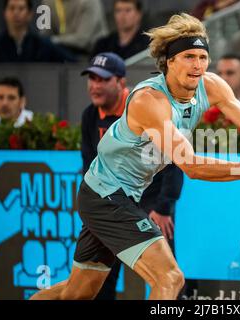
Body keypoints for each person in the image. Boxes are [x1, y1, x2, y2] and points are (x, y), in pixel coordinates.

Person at [30, 13, 240, 300]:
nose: (198, 65)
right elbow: (191, 166)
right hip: (106, 196)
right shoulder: (149, 101)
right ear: (170, 61)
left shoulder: (211, 85)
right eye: (189, 57)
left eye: (203, 57)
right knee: (170, 278)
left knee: (76, 294)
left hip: (121, 195)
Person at [80, 52, 184, 299]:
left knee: (169, 277)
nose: (95, 85)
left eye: (102, 79)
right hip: (111, 200)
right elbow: (89, 165)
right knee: (99, 280)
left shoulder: (145, 108)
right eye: (91, 78)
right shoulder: (89, 116)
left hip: (151, 199)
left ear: (120, 82)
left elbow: (174, 162)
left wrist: (164, 207)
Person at [0, 0, 74, 63]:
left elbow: (72, 62)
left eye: (21, 8)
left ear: (30, 14)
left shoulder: (43, 46)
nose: (16, 13)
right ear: (5, 13)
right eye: (12, 8)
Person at [40, 0, 108, 58]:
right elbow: (44, 37)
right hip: (62, 53)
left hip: (93, 56)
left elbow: (82, 40)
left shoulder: (90, 2)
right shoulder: (47, 2)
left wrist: (53, 40)